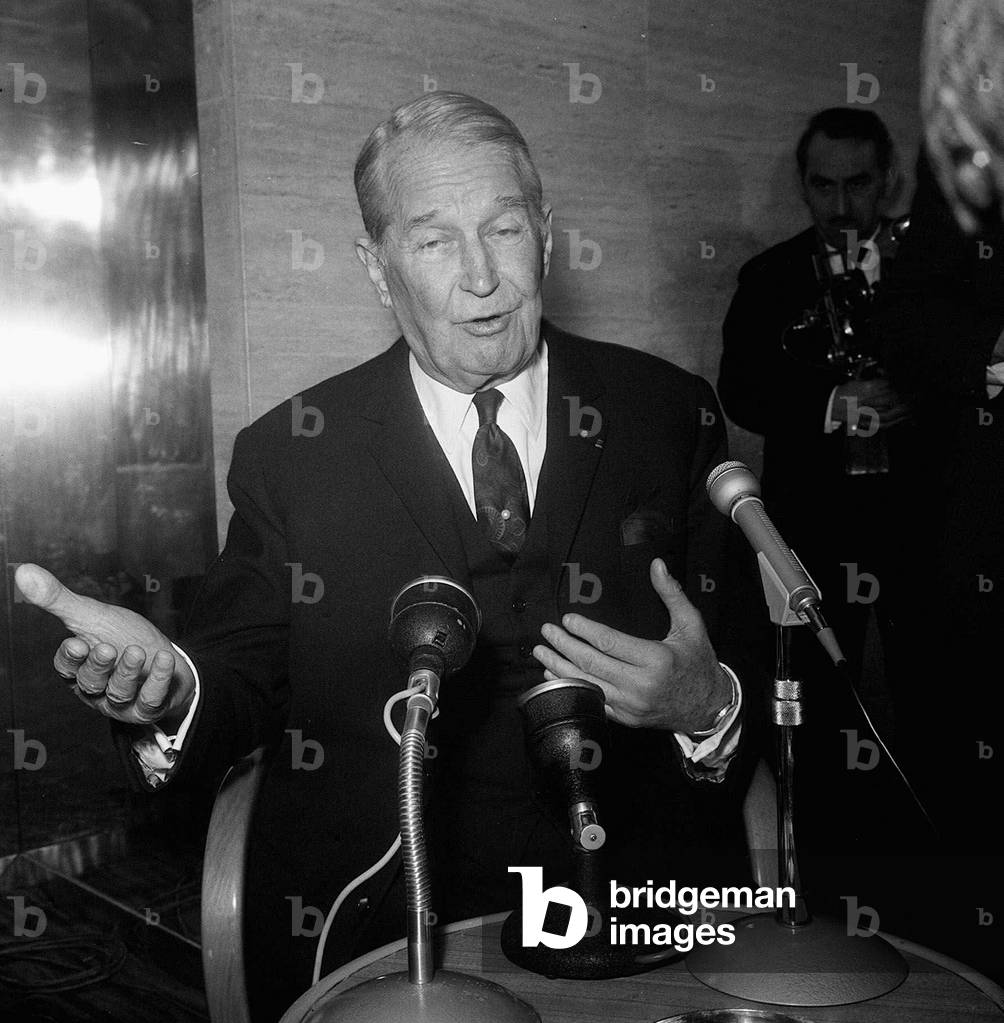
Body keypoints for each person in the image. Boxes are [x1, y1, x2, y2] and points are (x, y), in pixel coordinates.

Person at [15, 92, 757, 1022]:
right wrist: (169, 686)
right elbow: (239, 677)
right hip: (379, 924)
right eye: (434, 240)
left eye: (504, 227)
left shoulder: (665, 411)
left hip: (639, 915)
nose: (482, 276)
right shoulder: (292, 452)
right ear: (377, 267)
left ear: (548, 234)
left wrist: (707, 703)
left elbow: (754, 669)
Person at [716, 108, 927, 896]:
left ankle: (939, 891)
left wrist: (917, 393)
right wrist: (836, 401)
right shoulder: (769, 276)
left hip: (927, 528)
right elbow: (740, 389)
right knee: (817, 712)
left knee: (939, 697)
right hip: (814, 527)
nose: (840, 205)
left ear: (890, 180)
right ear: (804, 184)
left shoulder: (938, 269)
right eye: (822, 185)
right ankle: (830, 893)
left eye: (859, 183)